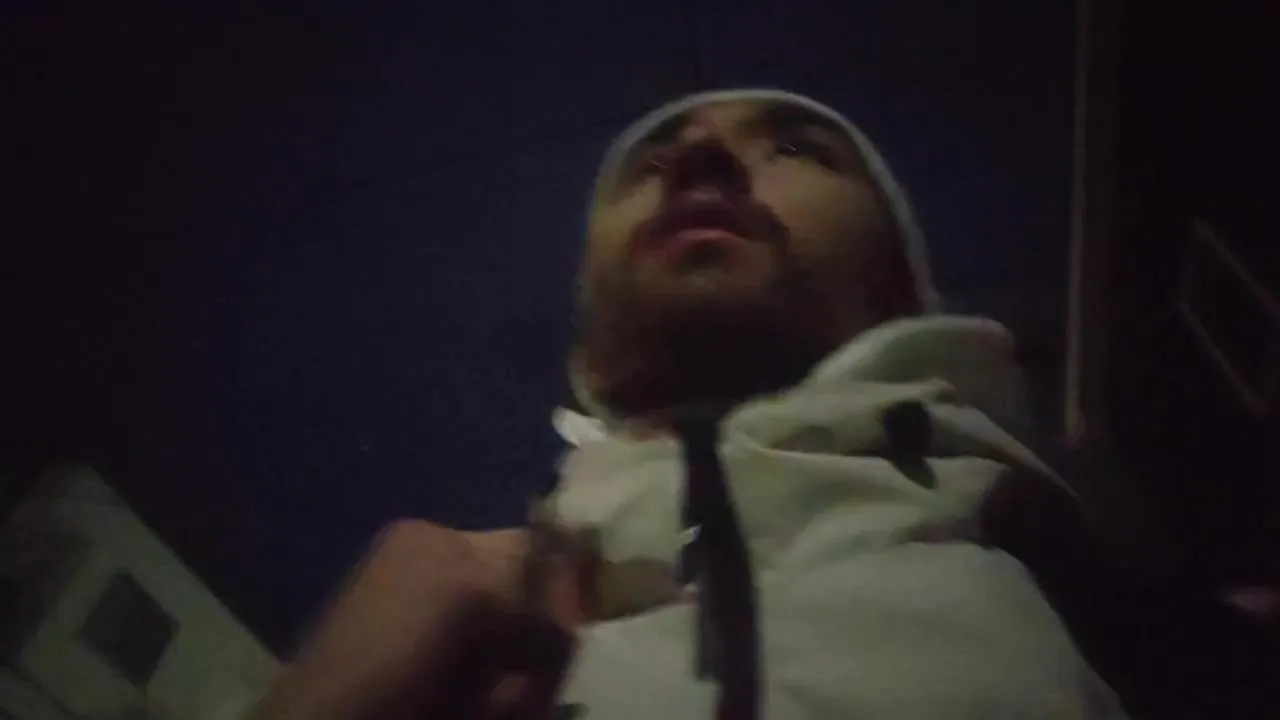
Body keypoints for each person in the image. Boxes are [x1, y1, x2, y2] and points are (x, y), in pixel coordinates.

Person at [249, 90, 1272, 720]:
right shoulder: (460, 647)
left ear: (900, 289)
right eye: (654, 164)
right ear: (592, 345)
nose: (696, 162)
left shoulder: (1088, 563)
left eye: (794, 150)